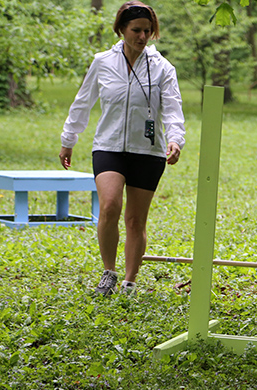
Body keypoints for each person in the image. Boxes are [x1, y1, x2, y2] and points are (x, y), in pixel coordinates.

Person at [59, 1, 185, 296]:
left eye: (148, 31)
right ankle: (109, 273)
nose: (142, 36)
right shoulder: (102, 61)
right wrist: (68, 140)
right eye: (136, 30)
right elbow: (82, 102)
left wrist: (175, 139)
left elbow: (173, 109)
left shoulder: (163, 68)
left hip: (148, 151)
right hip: (109, 146)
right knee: (110, 205)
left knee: (135, 219)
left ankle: (130, 281)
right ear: (121, 30)